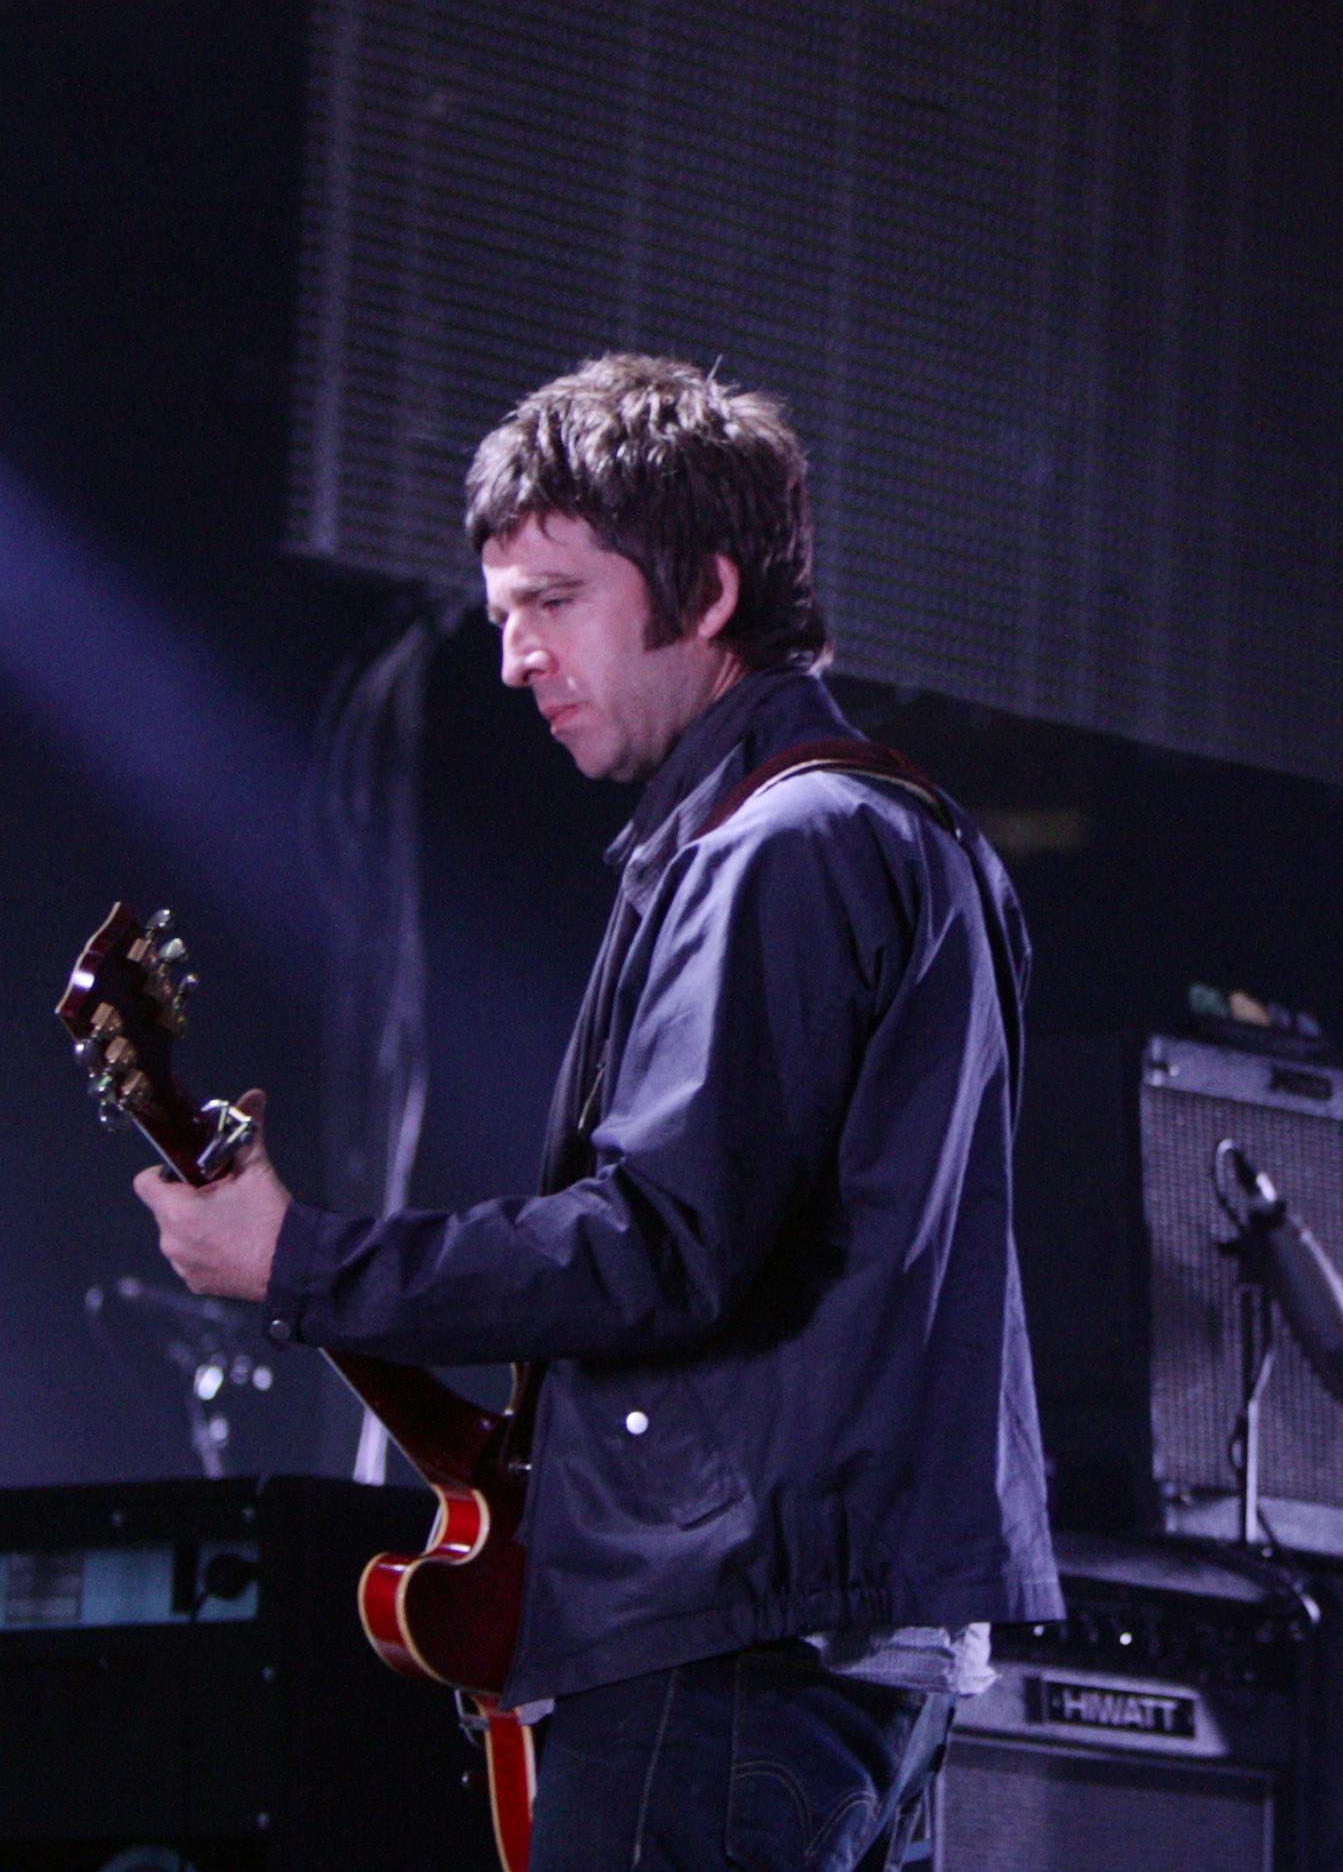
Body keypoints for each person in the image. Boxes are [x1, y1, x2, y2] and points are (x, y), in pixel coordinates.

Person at [134, 353, 1061, 1870]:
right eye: (501, 612)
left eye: (552, 601)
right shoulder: (886, 827)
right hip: (817, 1637)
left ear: (701, 591)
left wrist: (301, 1257)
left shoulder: (788, 846)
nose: (513, 659)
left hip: (738, 1646)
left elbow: (654, 1248)